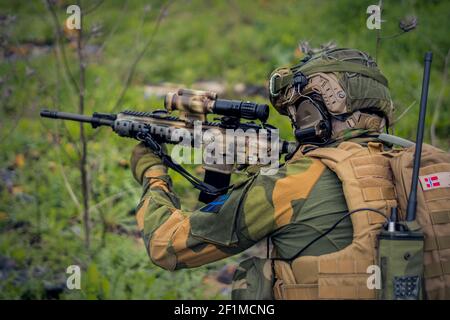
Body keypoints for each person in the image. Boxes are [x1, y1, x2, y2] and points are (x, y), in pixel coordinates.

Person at [130, 48, 395, 299]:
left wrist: (152, 172)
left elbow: (166, 244)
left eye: (298, 109)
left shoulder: (291, 184)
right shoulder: (422, 163)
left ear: (313, 112)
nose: (294, 120)